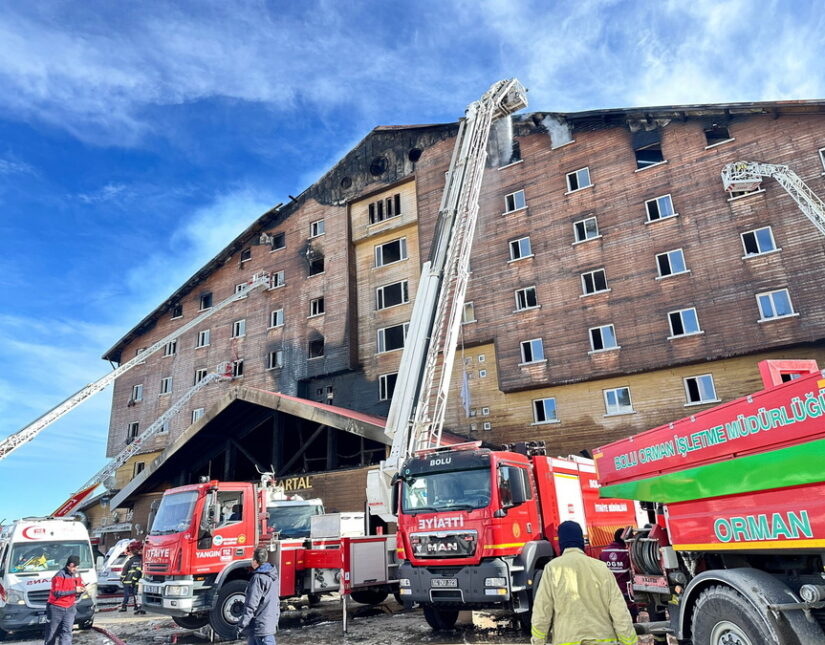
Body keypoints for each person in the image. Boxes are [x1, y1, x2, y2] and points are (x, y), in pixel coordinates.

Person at [531, 521, 637, 645]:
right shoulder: (601, 568)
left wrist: (538, 641)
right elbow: (619, 611)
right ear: (581, 542)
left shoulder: (552, 569)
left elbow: (542, 612)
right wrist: (629, 642)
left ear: (561, 544)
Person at [236, 547, 280, 645]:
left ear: (255, 561)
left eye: (252, 559)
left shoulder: (258, 578)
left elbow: (251, 605)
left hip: (260, 627)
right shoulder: (272, 575)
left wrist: (241, 625)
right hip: (267, 624)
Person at [44, 555, 85, 645]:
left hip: (70, 607)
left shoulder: (76, 574)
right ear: (70, 565)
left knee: (67, 631)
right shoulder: (59, 576)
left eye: (77, 567)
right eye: (75, 567)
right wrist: (75, 590)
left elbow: (80, 585)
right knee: (52, 632)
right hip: (56, 607)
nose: (76, 569)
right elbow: (57, 593)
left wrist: (82, 590)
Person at [599, 528, 637, 619]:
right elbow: (634, 571)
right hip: (625, 593)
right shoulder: (627, 553)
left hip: (609, 592)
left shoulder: (603, 553)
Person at [119, 541, 146, 614]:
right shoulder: (142, 561)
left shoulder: (129, 562)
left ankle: (124, 607)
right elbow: (139, 571)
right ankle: (136, 606)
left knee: (126, 595)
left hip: (127, 582)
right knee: (136, 595)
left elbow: (124, 572)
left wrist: (121, 579)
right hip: (137, 582)